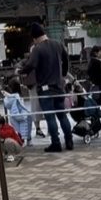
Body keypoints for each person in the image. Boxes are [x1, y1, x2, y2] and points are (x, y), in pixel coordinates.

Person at [20, 22, 72, 152]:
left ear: (35, 37)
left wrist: (20, 71)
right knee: (62, 115)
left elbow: (30, 65)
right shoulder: (58, 44)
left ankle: (56, 143)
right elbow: (66, 60)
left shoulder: (38, 48)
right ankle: (69, 141)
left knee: (50, 117)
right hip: (59, 86)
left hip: (45, 88)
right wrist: (63, 74)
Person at [3, 81, 33, 146]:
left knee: (18, 129)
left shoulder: (11, 97)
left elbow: (7, 105)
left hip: (14, 115)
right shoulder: (19, 95)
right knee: (25, 127)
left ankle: (20, 141)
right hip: (23, 114)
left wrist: (6, 96)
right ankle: (28, 140)